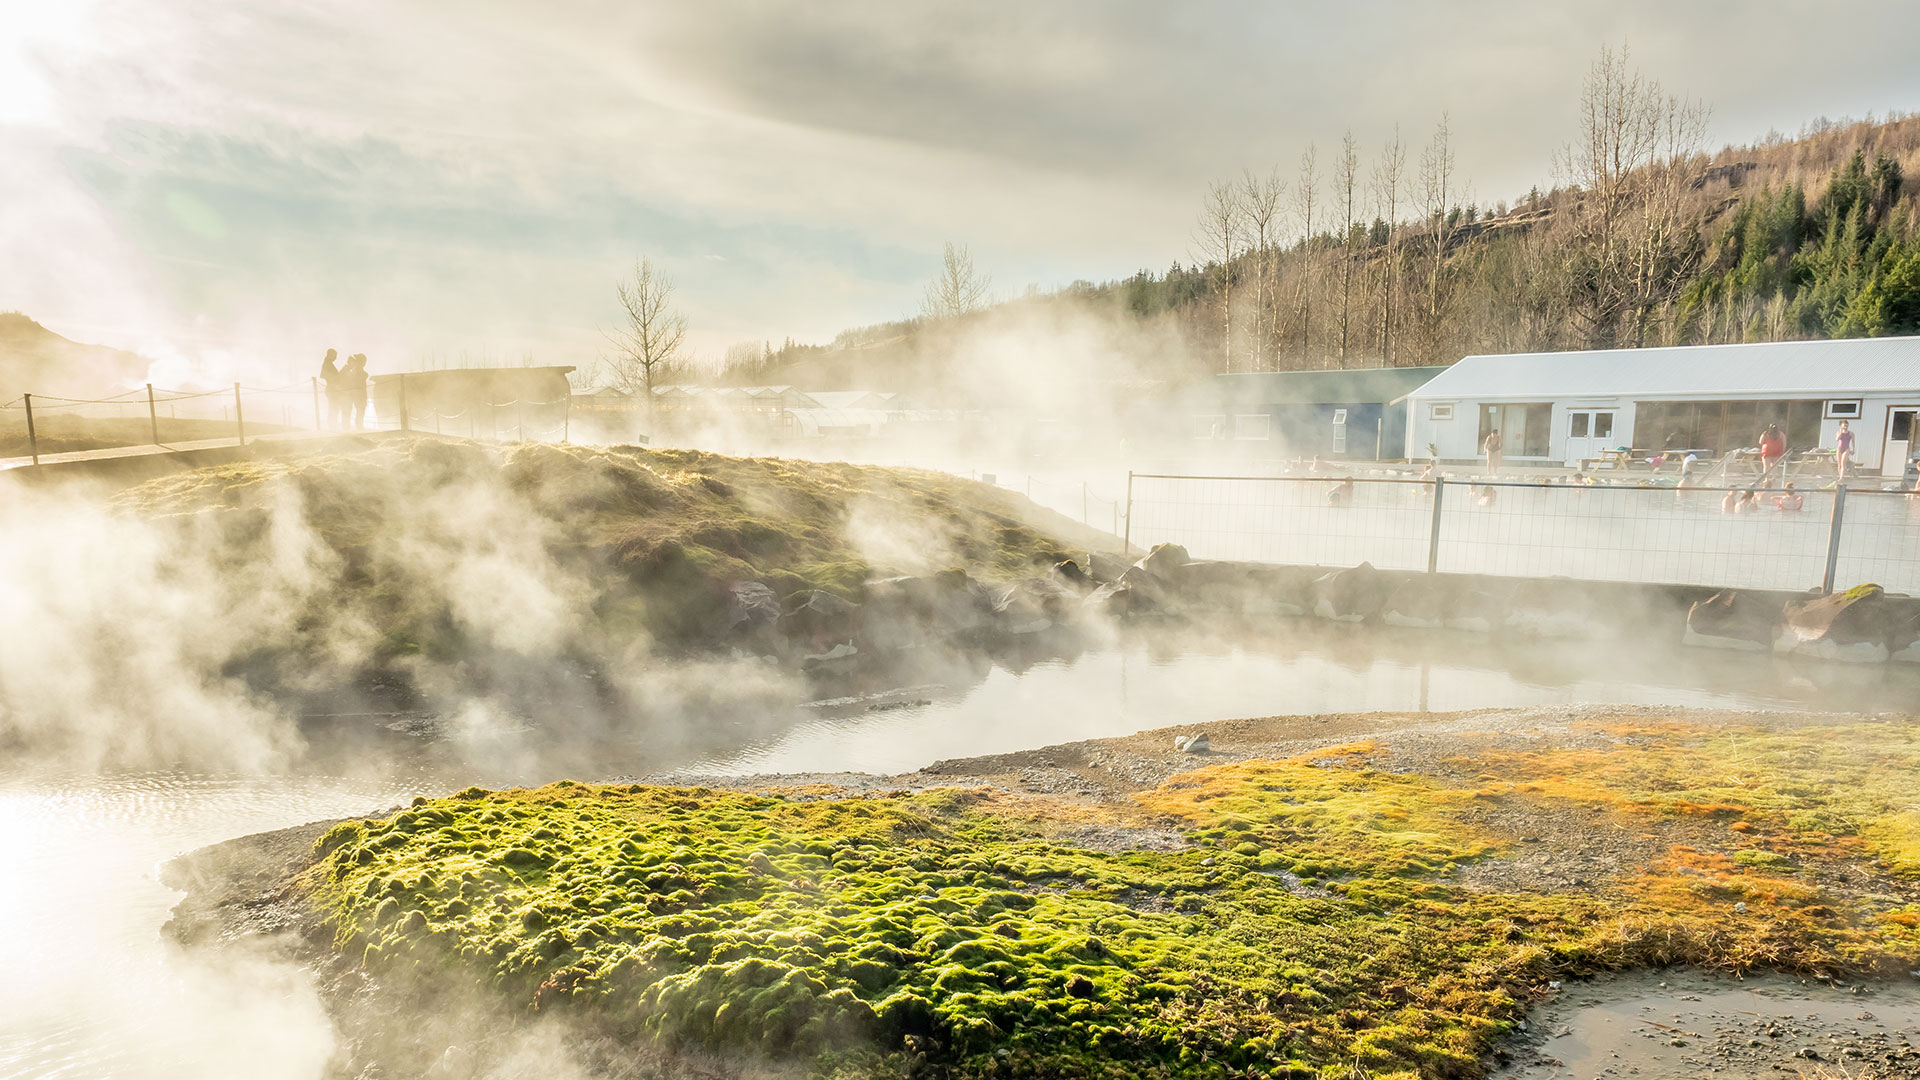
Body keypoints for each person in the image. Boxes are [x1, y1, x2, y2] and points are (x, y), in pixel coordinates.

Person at [320, 349, 347, 429]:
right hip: (332, 389)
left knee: (333, 408)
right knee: (334, 408)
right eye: (335, 355)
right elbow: (332, 378)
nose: (336, 357)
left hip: (332, 389)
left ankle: (333, 425)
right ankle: (333, 425)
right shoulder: (328, 364)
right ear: (330, 355)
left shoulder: (327, 363)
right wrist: (342, 372)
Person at [341, 353, 369, 430]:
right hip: (358, 393)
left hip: (355, 393)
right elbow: (361, 376)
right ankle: (357, 426)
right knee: (360, 410)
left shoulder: (353, 369)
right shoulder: (357, 370)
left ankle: (349, 426)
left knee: (356, 410)